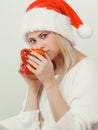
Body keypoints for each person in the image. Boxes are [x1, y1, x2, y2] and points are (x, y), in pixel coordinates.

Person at [0, 0, 98, 130]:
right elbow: (27, 127)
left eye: (44, 35)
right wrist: (33, 87)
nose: (39, 45)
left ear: (61, 34)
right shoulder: (46, 70)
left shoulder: (87, 69)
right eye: (32, 40)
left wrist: (50, 83)